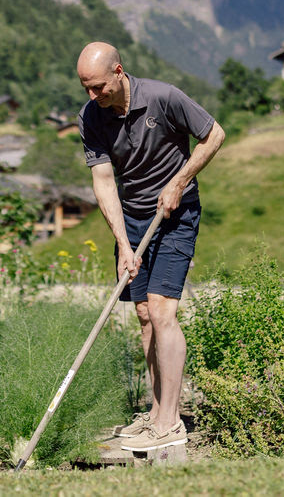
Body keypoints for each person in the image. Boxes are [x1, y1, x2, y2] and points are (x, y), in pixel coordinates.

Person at [75, 41, 225, 452]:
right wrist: (123, 244)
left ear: (119, 71)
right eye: (85, 87)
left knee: (162, 310)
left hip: (176, 214)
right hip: (135, 218)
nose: (93, 96)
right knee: (143, 314)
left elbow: (214, 135)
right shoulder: (90, 116)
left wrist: (180, 180)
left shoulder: (163, 97)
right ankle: (156, 411)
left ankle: (171, 422)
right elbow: (104, 182)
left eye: (99, 87)